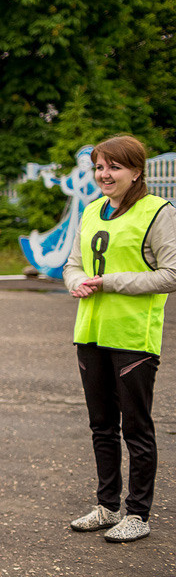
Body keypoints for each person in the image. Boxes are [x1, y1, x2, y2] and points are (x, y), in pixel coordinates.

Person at [64, 135, 176, 543]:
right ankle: (108, 507)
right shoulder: (92, 210)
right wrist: (76, 281)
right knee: (101, 426)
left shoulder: (158, 212)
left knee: (137, 429)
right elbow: (74, 264)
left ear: (136, 171)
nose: (104, 174)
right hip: (90, 332)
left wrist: (112, 282)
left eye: (114, 167)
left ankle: (138, 514)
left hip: (133, 336)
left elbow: (172, 273)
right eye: (99, 167)